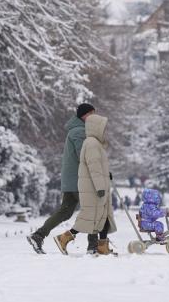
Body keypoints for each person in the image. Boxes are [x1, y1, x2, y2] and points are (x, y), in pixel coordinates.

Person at [26, 103, 95, 254]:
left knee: (65, 211)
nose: (93, 116)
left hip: (71, 179)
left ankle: (38, 235)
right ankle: (93, 247)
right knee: (92, 210)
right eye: (91, 113)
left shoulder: (76, 130)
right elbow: (84, 156)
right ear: (83, 115)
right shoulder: (79, 131)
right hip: (79, 180)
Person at [56, 114, 116, 255]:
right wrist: (100, 186)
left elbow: (98, 167)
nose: (104, 131)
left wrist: (107, 174)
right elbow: (93, 167)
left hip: (95, 185)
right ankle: (64, 238)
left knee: (103, 217)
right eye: (103, 128)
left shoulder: (95, 143)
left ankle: (101, 247)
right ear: (96, 128)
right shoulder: (91, 144)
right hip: (93, 188)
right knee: (89, 217)